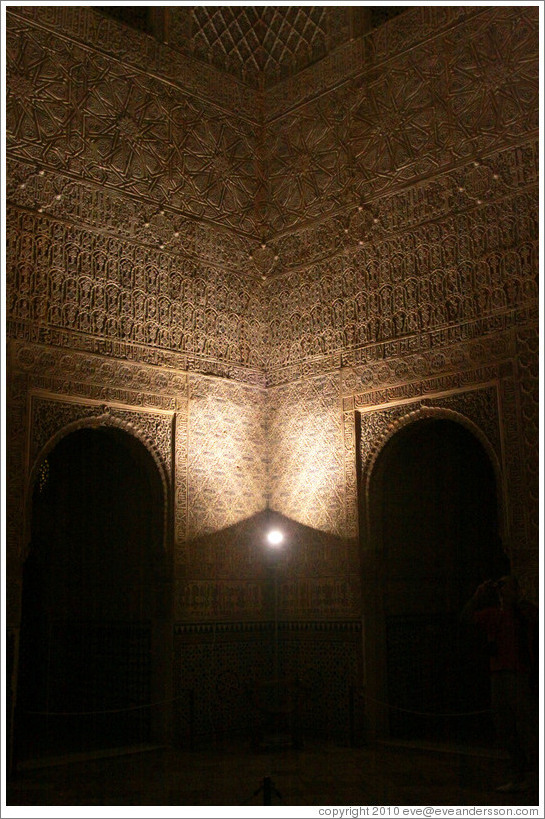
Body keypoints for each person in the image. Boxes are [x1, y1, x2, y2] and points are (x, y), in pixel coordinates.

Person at [462, 576, 539, 793]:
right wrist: (478, 595)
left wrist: (515, 600)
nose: (502, 588)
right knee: (506, 726)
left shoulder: (524, 612)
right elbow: (466, 619)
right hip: (498, 674)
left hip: (520, 674)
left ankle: (534, 774)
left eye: (506, 585)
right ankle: (518, 775)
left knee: (527, 727)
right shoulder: (493, 614)